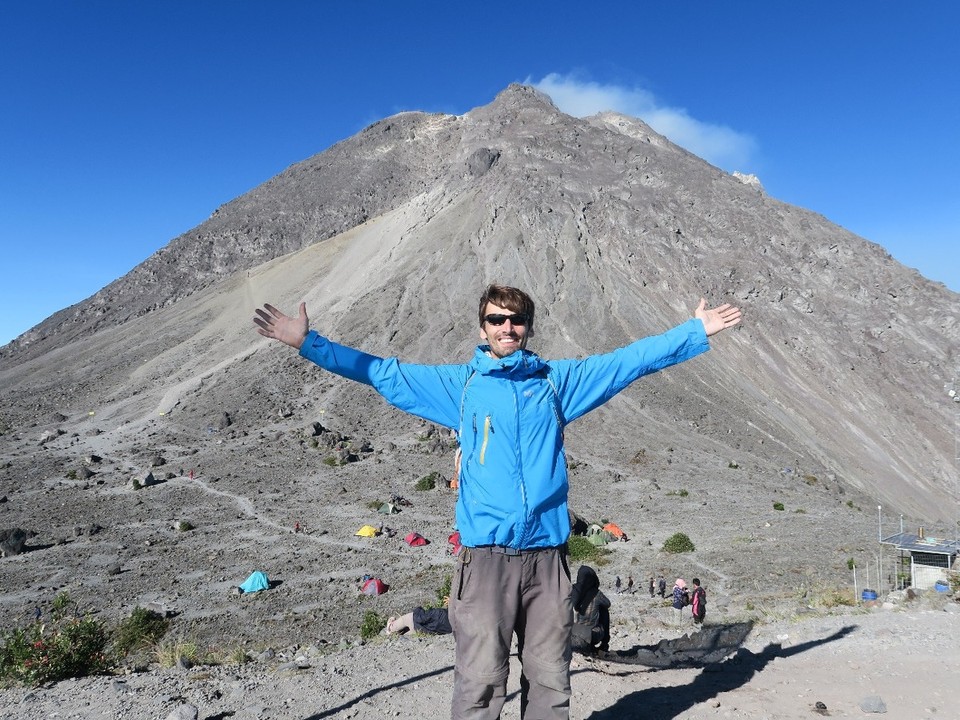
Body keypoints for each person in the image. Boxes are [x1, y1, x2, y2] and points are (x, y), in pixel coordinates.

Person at [254, 284, 741, 720]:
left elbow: (629, 361)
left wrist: (694, 330)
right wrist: (307, 343)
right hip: (485, 560)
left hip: (547, 562)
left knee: (550, 679)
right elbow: (382, 373)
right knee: (481, 682)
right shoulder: (460, 387)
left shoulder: (556, 383)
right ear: (482, 327)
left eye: (516, 319)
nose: (507, 327)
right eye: (496, 319)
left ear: (529, 327)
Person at [570, 565, 610, 654]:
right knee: (604, 610)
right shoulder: (596, 593)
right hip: (591, 634)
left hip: (572, 631)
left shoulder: (573, 590)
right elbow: (608, 603)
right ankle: (604, 645)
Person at [386, 606, 452, 635]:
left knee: (396, 625)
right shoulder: (454, 628)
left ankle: (390, 627)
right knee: (403, 634)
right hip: (424, 630)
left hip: (415, 619)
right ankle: (393, 632)